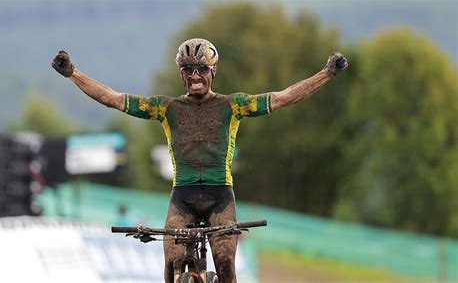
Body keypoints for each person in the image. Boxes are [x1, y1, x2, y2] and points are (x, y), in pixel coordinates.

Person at [52, 38, 347, 283]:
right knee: (171, 263)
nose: (195, 75)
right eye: (188, 69)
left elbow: (283, 98)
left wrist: (327, 74)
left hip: (221, 197)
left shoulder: (233, 105)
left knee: (225, 261)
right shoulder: (165, 107)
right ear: (181, 73)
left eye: (201, 69)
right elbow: (113, 99)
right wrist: (72, 73)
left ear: (213, 71)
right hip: (183, 197)